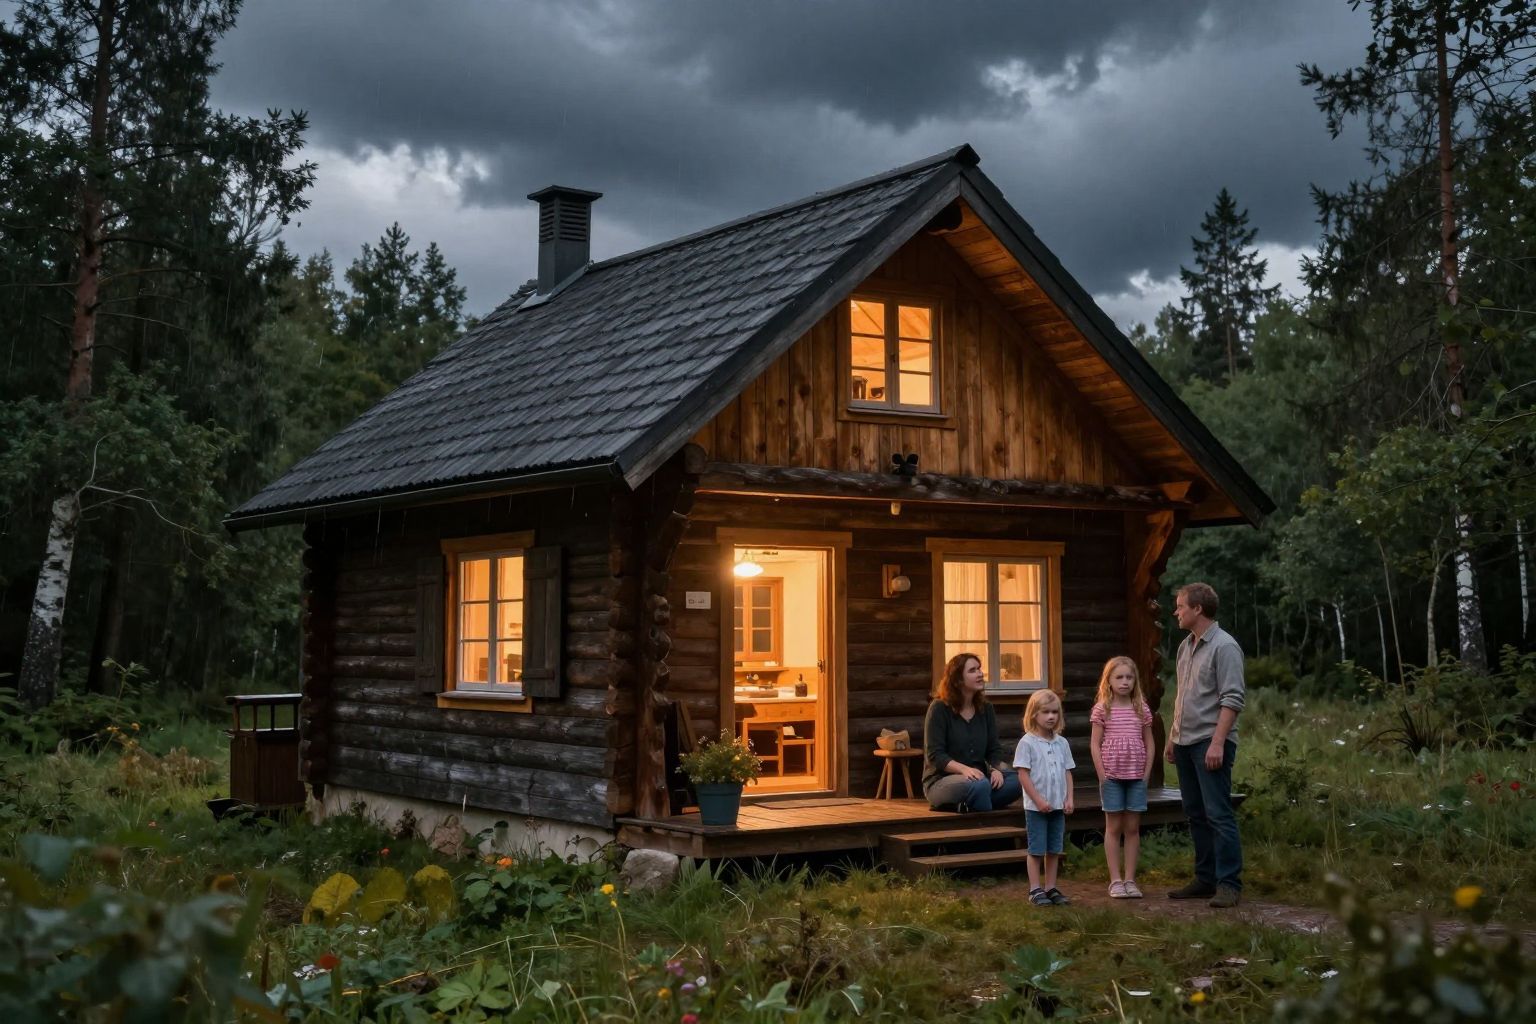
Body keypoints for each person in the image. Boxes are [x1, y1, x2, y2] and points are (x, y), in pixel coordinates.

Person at [1164, 581, 1246, 908]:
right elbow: (1183, 697)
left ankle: (1229, 884)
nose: (1176, 611)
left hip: (1209, 744)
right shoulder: (1186, 646)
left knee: (1218, 814)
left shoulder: (1225, 647)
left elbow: (1232, 699)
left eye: (1181, 606)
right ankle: (1205, 878)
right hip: (1184, 743)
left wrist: (1217, 743)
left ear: (1198, 609)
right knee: (1195, 813)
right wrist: (1172, 738)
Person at [922, 653, 1023, 813]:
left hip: (980, 777)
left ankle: (967, 806)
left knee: (1016, 781)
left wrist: (995, 769)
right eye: (972, 670)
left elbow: (994, 749)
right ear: (958, 679)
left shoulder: (986, 709)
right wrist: (964, 769)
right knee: (980, 785)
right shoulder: (939, 708)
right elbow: (935, 755)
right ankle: (986, 826)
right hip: (942, 781)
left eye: (979, 669)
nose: (980, 673)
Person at [1089, 656, 1154, 899]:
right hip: (1111, 777)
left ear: (1135, 680)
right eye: (1119, 677)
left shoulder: (1141, 708)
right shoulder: (1102, 709)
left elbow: (1150, 743)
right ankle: (1115, 880)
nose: (1125, 682)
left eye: (1129, 677)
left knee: (1133, 827)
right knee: (1114, 826)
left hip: (1137, 776)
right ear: (1109, 681)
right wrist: (1102, 774)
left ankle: (1130, 880)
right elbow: (1095, 744)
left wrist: (1146, 774)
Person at [1014, 689, 1075, 906]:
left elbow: (1068, 771)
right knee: (1037, 848)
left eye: (1055, 712)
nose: (1051, 716)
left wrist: (1069, 799)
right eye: (1045, 712)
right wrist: (1038, 800)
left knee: (1054, 849)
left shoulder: (1062, 743)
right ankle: (1035, 889)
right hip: (1036, 808)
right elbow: (1023, 774)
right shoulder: (1027, 743)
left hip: (1058, 806)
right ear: (1033, 714)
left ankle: (1051, 887)